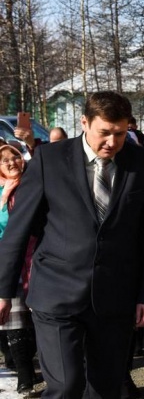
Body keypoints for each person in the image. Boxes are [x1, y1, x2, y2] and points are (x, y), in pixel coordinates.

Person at [0, 91, 144, 397]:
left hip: (115, 295)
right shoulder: (49, 159)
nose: (112, 142)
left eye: (120, 133)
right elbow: (18, 229)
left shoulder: (142, 164)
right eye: (104, 133)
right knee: (66, 385)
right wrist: (2, 291)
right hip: (57, 293)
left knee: (104, 388)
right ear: (84, 122)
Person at [0, 145, 37, 395]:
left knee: (36, 320)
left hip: (35, 260)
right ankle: (25, 374)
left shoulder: (33, 184)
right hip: (7, 264)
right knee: (13, 322)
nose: (12, 161)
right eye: (4, 160)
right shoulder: (1, 193)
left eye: (14, 155)